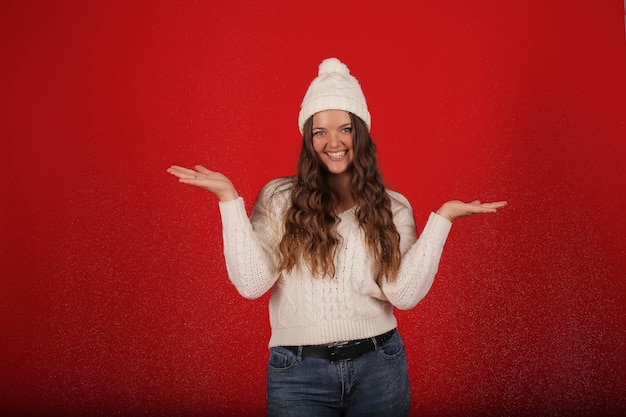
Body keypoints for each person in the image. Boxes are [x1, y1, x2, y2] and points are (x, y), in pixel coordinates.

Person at [167, 57, 506, 417]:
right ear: (308, 138)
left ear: (360, 133)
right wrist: (229, 201)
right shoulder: (280, 198)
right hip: (298, 373)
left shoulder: (394, 207)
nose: (333, 142)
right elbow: (251, 284)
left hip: (379, 365)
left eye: (345, 129)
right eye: (320, 131)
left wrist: (443, 219)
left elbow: (403, 295)